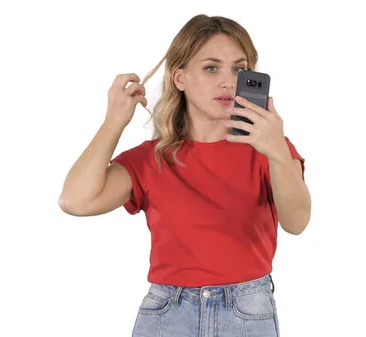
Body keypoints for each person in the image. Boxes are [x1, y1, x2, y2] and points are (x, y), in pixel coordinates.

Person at [58, 14, 311, 337]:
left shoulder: (269, 149)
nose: (228, 81)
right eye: (211, 67)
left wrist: (276, 150)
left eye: (239, 68)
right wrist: (113, 123)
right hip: (168, 312)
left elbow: (297, 222)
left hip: (246, 311)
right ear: (180, 78)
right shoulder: (150, 159)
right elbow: (75, 201)